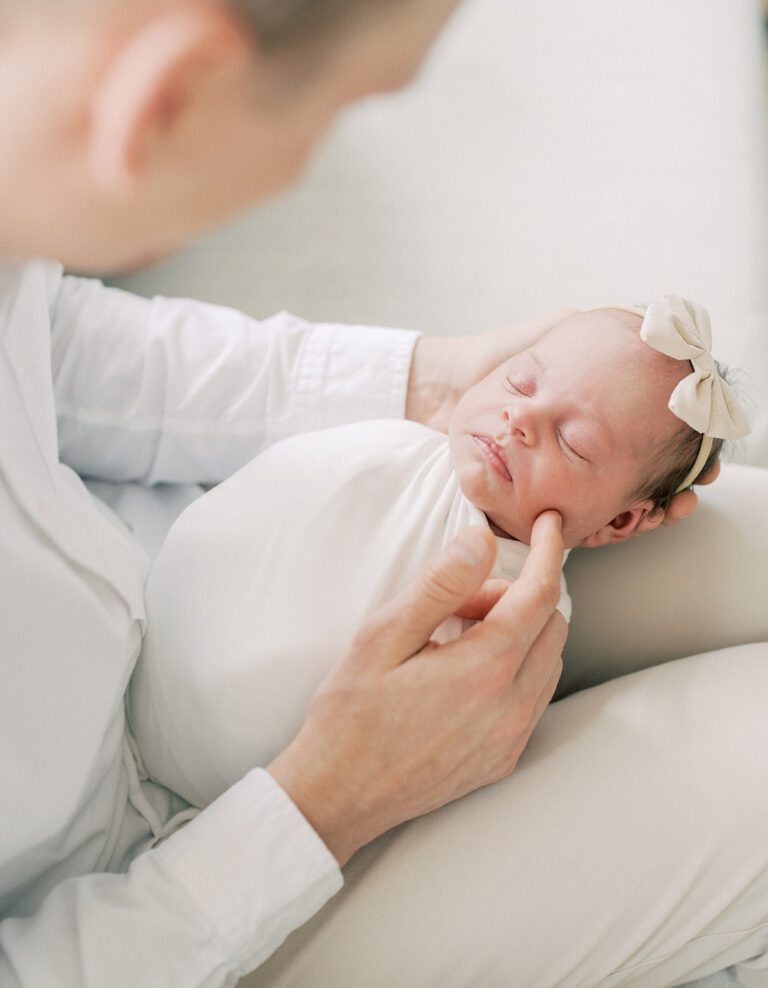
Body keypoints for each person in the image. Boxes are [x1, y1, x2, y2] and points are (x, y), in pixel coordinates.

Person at [0, 2, 764, 988]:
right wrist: (330, 799)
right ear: (166, 97)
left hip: (165, 627)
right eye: (343, 110)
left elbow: (49, 340)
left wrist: (436, 381)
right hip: (158, 927)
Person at [130, 297, 747, 812]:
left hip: (264, 787)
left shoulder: (520, 611)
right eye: (519, 379)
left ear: (618, 521)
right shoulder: (389, 446)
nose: (522, 415)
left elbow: (455, 727)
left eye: (575, 441)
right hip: (167, 665)